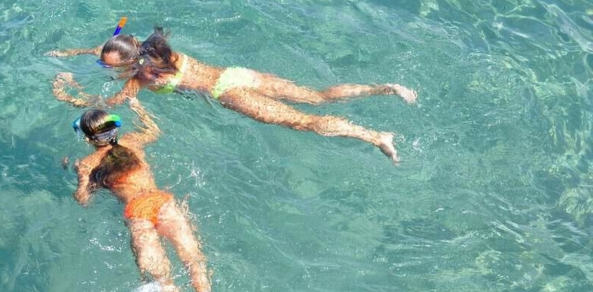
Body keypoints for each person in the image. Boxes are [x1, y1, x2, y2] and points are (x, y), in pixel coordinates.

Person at [48, 26, 418, 164]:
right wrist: (73, 53)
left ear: (128, 62)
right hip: (235, 74)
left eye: (108, 64)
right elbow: (108, 48)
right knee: (317, 97)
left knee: (303, 122)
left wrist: (71, 96)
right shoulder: (152, 50)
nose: (105, 65)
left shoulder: (141, 78)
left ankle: (375, 136)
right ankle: (387, 88)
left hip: (231, 93)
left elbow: (109, 109)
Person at [72, 100, 223, 292]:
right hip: (162, 200)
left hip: (138, 210)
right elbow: (154, 130)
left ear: (89, 139)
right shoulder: (132, 141)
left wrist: (79, 175)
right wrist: (138, 107)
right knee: (191, 256)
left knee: (161, 276)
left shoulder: (88, 163)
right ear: (115, 129)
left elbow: (83, 200)